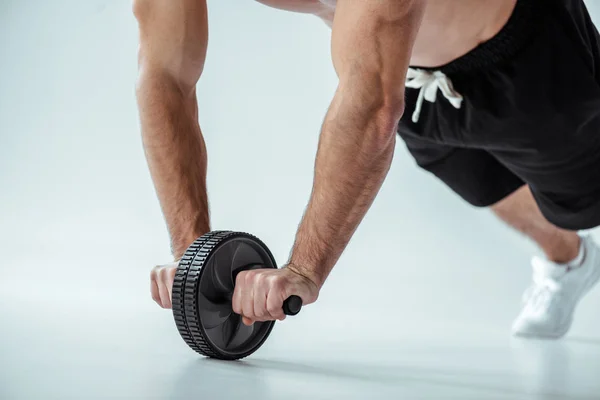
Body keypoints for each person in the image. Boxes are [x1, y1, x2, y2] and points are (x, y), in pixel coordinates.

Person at [134, 0, 600, 339]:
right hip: (410, 76)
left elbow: (374, 108)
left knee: (583, 202)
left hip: (530, 64)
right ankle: (570, 260)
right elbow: (166, 77)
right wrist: (195, 258)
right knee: (485, 187)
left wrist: (303, 269)